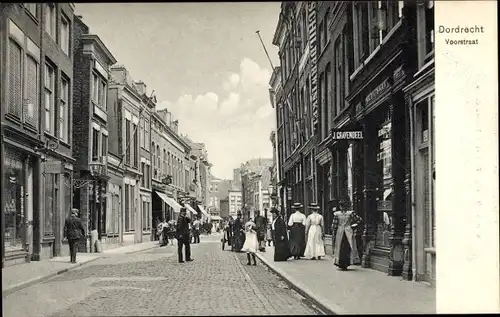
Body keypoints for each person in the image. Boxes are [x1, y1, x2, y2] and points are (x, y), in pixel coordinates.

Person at [332, 199, 362, 270]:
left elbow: (334, 225)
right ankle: (347, 262)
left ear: (340, 206)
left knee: (340, 247)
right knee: (348, 247)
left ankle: (341, 263)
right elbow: (359, 220)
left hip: (340, 232)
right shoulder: (350, 213)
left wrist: (334, 233)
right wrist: (353, 225)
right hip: (348, 231)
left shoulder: (337, 214)